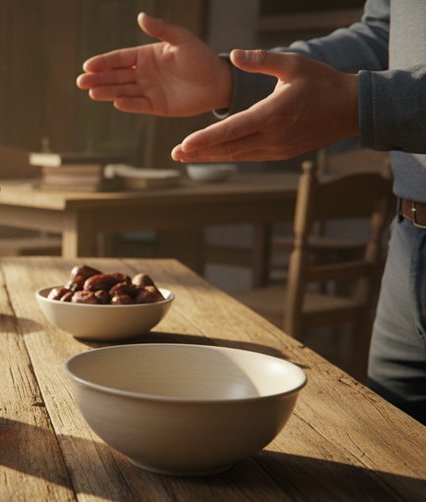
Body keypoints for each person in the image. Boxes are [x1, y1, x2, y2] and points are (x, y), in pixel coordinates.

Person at [76, 1, 425, 424]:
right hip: (410, 246)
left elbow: (368, 82)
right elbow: (384, 38)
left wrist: (361, 103)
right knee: (397, 459)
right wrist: (233, 80)